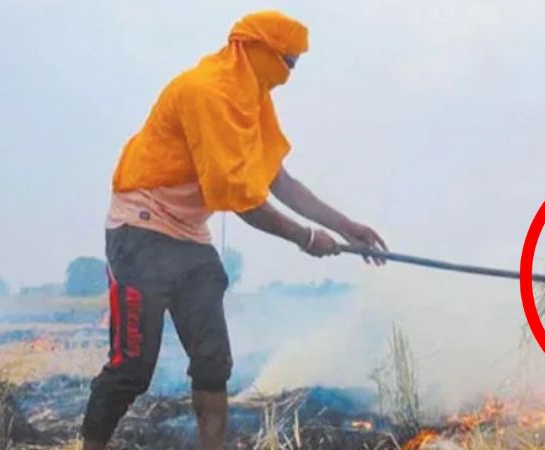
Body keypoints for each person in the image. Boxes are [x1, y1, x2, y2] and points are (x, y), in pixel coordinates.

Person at [80, 10, 387, 450]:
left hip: (188, 234)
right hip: (141, 227)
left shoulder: (254, 99)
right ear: (255, 49)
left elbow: (277, 180)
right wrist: (305, 238)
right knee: (132, 368)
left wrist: (346, 227)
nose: (289, 75)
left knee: (213, 363)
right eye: (288, 61)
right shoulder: (205, 92)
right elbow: (239, 199)